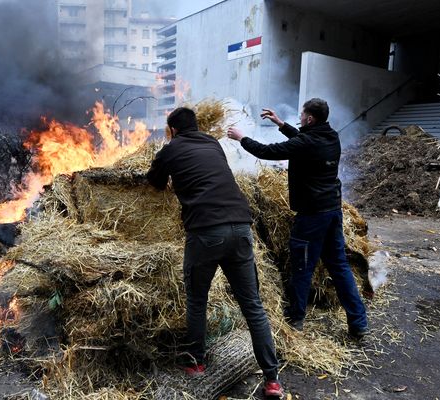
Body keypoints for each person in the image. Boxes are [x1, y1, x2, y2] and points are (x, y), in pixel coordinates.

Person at [147, 107, 284, 398]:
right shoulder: (213, 143)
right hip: (241, 227)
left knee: (197, 300)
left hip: (206, 231)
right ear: (197, 125)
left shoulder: (171, 149)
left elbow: (154, 181)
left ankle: (196, 362)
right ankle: (272, 380)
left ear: (172, 130)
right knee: (253, 306)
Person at [227, 98, 369, 338]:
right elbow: (303, 140)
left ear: (310, 118)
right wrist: (281, 124)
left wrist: (241, 138)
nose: (300, 119)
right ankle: (358, 322)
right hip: (333, 212)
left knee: (302, 267)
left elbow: (267, 151)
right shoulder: (331, 136)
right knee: (340, 267)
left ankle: (295, 320)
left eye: (302, 115)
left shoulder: (306, 142)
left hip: (312, 216)